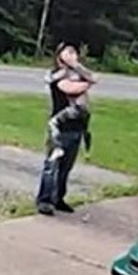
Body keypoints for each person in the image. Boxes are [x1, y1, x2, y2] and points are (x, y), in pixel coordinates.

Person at [35, 43, 96, 216]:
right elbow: (70, 88)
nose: (72, 55)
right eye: (67, 52)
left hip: (76, 128)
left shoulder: (77, 72)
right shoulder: (56, 74)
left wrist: (78, 68)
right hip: (59, 128)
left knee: (66, 168)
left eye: (74, 52)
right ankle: (44, 200)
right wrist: (86, 84)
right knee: (52, 165)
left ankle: (58, 198)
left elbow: (94, 78)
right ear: (59, 55)